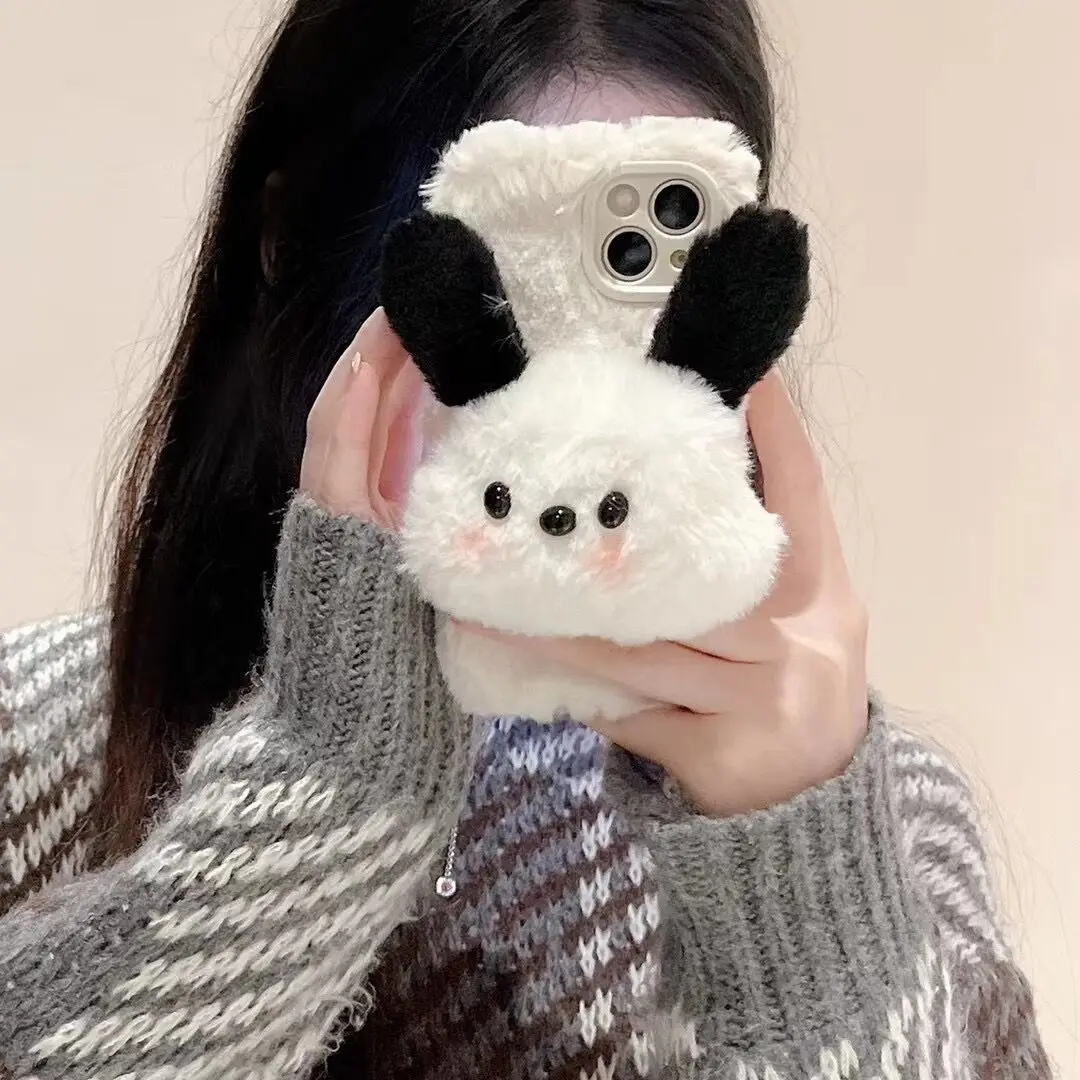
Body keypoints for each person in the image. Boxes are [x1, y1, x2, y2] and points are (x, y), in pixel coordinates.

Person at [0, 1, 1054, 1078]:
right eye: (510, 290)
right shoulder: (35, 735)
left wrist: (807, 922)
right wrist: (322, 794)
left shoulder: (884, 831)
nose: (572, 412)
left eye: (632, 298)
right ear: (290, 245)